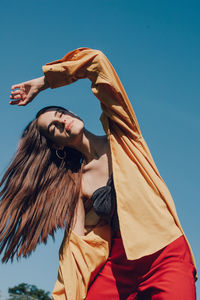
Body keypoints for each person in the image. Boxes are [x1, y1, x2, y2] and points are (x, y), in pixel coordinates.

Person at [0, 48, 197, 299]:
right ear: (57, 144)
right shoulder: (76, 183)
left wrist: (45, 82)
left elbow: (97, 62)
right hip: (117, 268)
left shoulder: (124, 136)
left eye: (61, 114)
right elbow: (75, 246)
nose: (62, 121)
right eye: (53, 127)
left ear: (72, 113)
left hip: (165, 256)